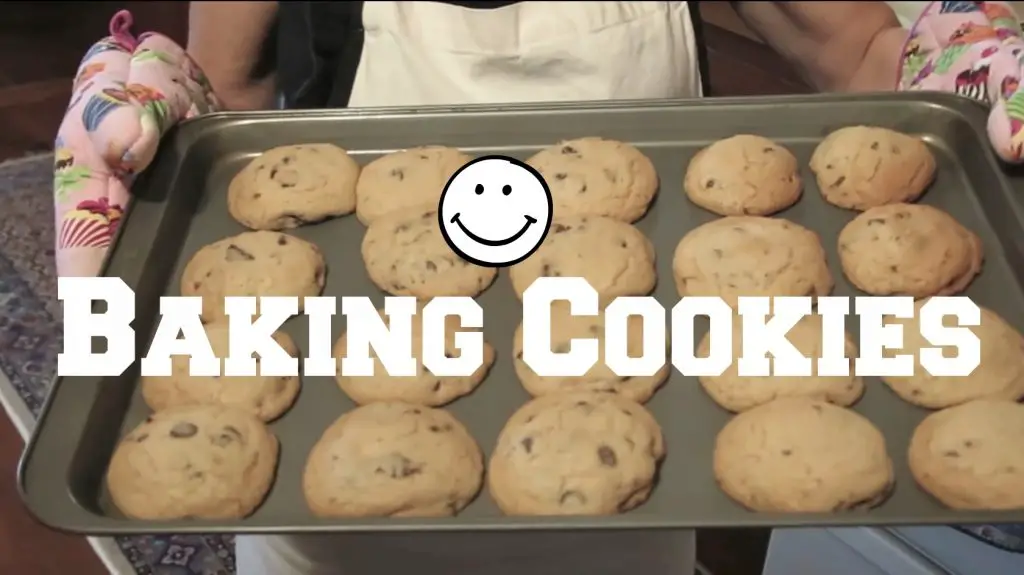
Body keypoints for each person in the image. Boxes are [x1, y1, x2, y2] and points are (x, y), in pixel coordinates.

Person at [50, 2, 1024, 574]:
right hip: (338, 516)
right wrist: (161, 111)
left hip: (640, 478)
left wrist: (964, 56)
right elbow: (230, 93)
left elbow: (857, 50)